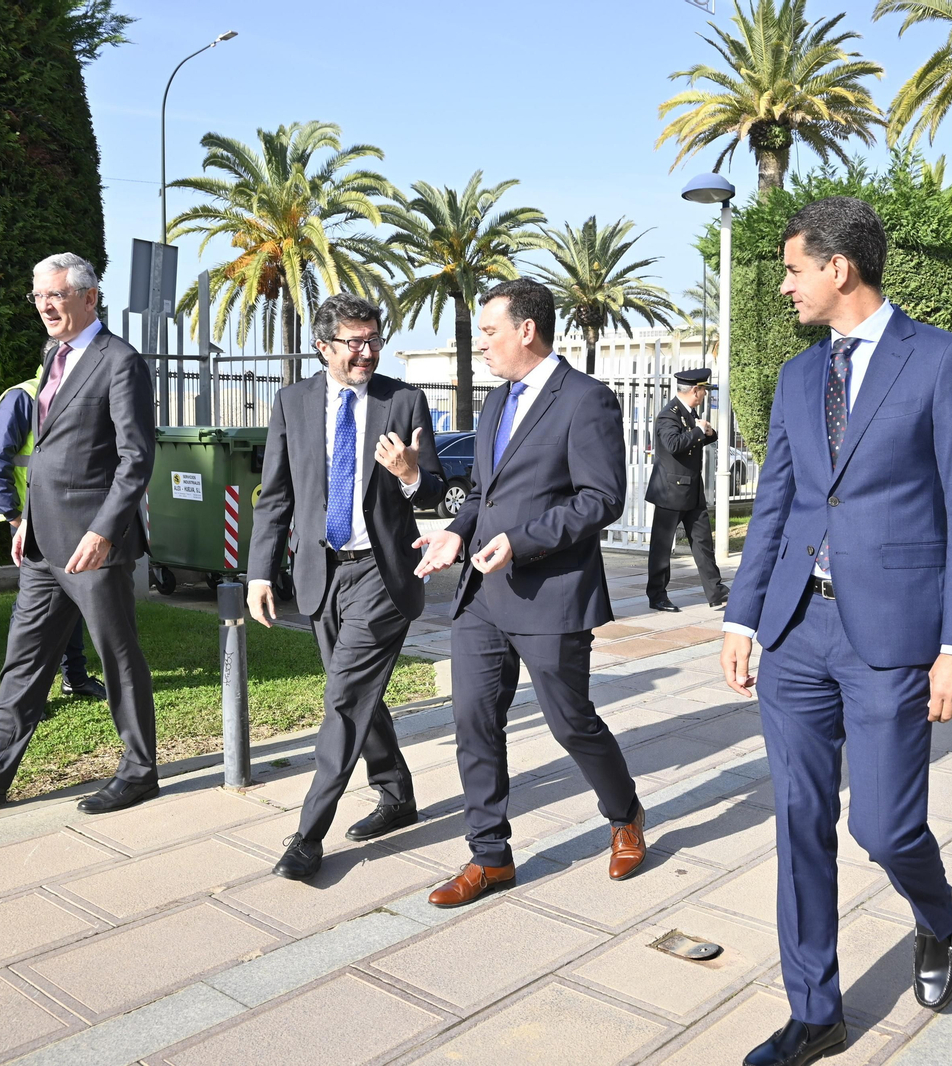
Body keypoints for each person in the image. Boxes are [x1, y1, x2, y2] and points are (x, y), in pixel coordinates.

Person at [719, 197, 952, 1066]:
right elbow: (778, 505)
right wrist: (743, 614)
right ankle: (815, 1012)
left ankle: (935, 913)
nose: (784, 286)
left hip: (895, 636)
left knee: (881, 827)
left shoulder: (944, 363)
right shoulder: (801, 378)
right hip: (797, 630)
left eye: (794, 269)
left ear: (838, 268)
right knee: (799, 819)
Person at [415, 279, 646, 908]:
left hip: (552, 595)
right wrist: (454, 534)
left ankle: (624, 812)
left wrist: (521, 541)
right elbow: (486, 498)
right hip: (481, 597)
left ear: (527, 330)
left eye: (490, 331)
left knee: (571, 722)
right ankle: (489, 856)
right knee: (472, 721)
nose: (481, 344)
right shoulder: (494, 404)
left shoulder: (587, 400)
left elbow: (600, 498)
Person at [0, 252, 159, 814]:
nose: (46, 306)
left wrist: (104, 532)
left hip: (93, 545)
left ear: (89, 297)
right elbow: (47, 450)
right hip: (43, 542)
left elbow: (135, 458)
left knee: (117, 656)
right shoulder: (55, 354)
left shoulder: (120, 361)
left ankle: (140, 770)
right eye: (38, 297)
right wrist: (23, 518)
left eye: (56, 295)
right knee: (24, 659)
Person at [246, 292, 446, 881]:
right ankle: (397, 792)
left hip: (383, 573)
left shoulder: (402, 400)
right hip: (319, 572)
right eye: (354, 342)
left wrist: (411, 474)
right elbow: (275, 495)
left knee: (342, 699)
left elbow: (433, 488)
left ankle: (308, 836)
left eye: (374, 341)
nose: (366, 352)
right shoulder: (292, 402)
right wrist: (260, 571)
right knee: (358, 691)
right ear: (323, 347)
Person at [0, 370, 107, 703]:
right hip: (30, 522)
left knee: (70, 599)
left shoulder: (80, 393)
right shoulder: (25, 397)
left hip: (68, 518)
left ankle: (74, 679)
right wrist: (16, 518)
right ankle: (21, 695)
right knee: (33, 611)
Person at [644, 367, 730, 612]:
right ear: (695, 390)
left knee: (703, 542)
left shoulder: (689, 413)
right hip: (670, 490)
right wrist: (698, 431)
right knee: (662, 548)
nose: (705, 394)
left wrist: (709, 433)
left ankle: (717, 593)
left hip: (692, 489)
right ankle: (657, 595)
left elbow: (697, 437)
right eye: (703, 390)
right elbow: (673, 444)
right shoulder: (668, 415)